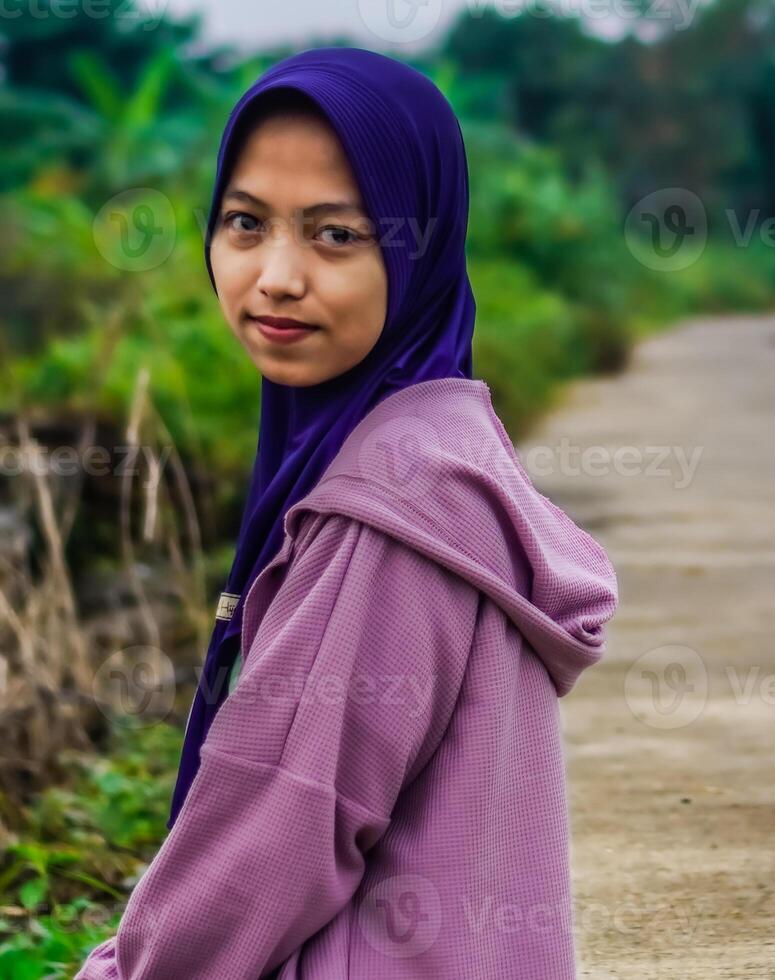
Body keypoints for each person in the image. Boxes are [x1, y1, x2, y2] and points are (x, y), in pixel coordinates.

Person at [75, 47, 619, 979]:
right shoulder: (439, 439)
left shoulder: (385, 511)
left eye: (335, 235)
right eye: (245, 223)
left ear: (419, 250)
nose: (276, 276)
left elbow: (272, 839)